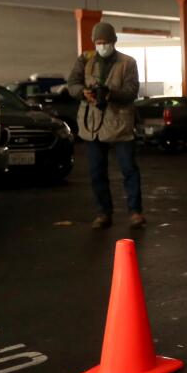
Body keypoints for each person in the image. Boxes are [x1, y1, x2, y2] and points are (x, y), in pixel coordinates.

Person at [65, 21, 145, 229]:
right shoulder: (85, 60)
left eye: (106, 42)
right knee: (97, 172)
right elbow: (72, 84)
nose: (102, 46)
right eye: (99, 42)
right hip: (93, 127)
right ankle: (103, 213)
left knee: (129, 169)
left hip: (120, 125)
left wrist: (110, 94)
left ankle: (135, 212)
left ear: (114, 41)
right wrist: (83, 92)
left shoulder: (128, 62)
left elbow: (131, 91)